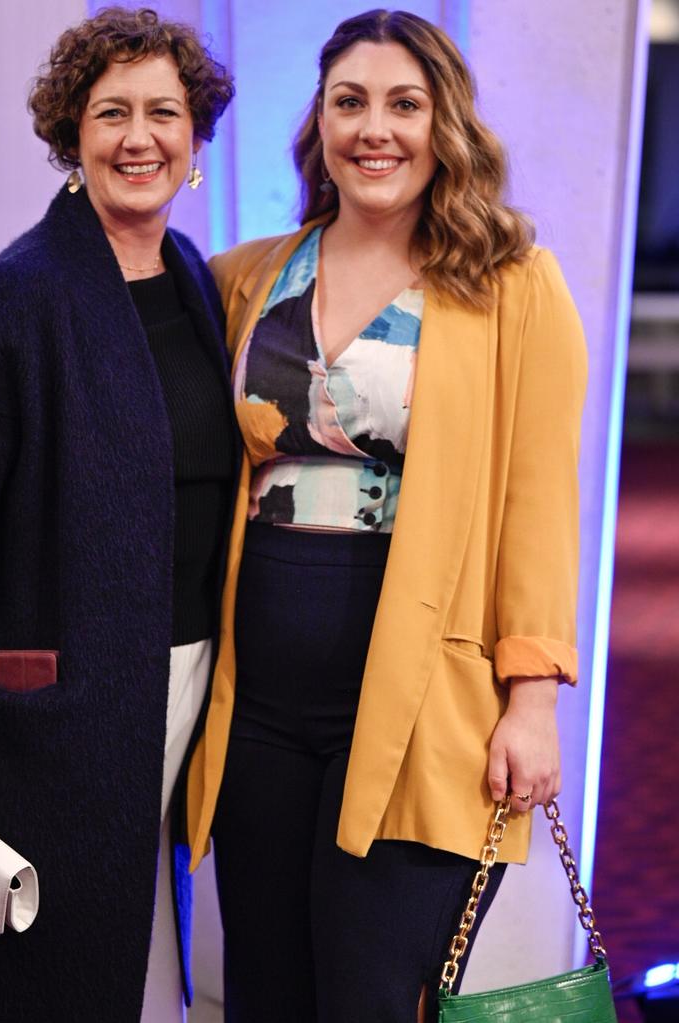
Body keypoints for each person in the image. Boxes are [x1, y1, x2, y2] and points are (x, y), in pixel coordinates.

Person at [186, 9, 586, 1022]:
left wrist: (532, 699)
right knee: (263, 996)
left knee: (369, 999)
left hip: (423, 705)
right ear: (317, 124)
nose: (376, 128)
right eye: (349, 102)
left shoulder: (513, 286)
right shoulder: (245, 276)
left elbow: (540, 499)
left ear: (443, 122)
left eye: (404, 104)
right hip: (258, 707)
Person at [0, 7, 235, 1021]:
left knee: (142, 959)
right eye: (112, 114)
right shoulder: (8, 299)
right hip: (55, 719)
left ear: (194, 140)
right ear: (71, 135)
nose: (139, 137)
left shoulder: (193, 281)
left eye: (164, 113)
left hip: (184, 683)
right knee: (46, 975)